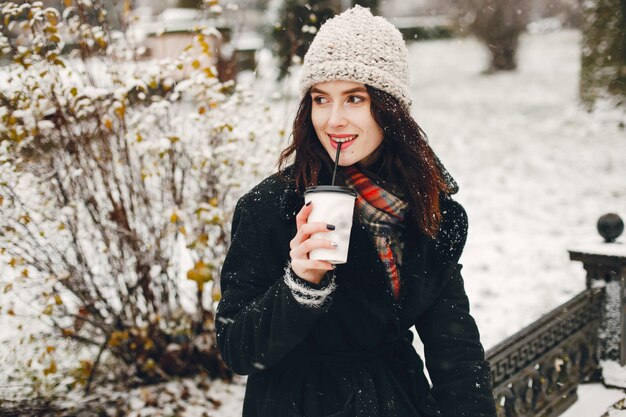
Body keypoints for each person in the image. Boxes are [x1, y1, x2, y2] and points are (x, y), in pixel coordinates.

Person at [216, 6, 497, 417]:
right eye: (320, 99)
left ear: (389, 108)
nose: (333, 120)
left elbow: (455, 348)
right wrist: (301, 285)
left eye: (354, 98)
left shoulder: (425, 208)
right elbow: (237, 350)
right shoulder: (270, 208)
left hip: (398, 399)